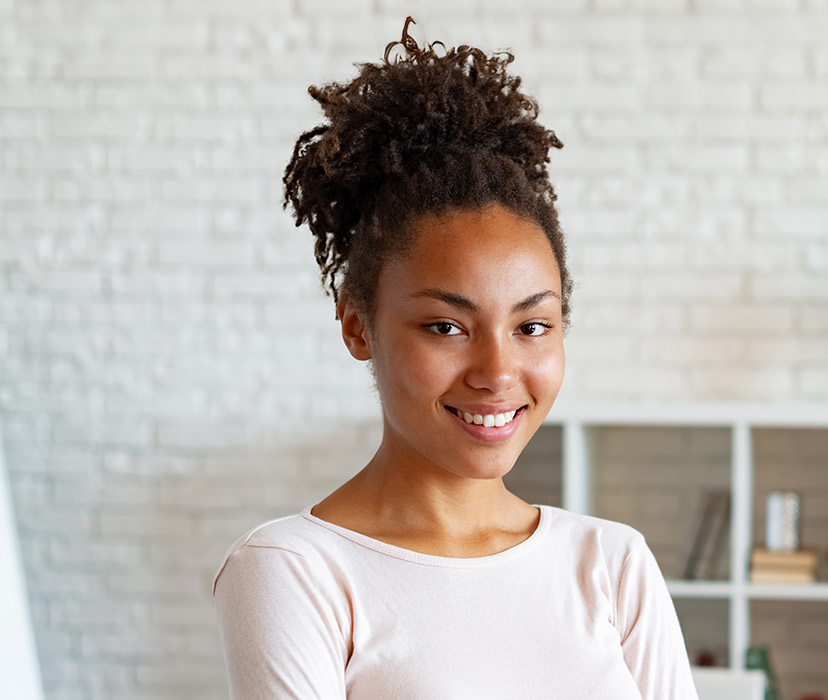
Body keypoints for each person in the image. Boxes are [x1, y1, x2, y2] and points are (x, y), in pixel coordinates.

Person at [212, 18, 700, 700]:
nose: (497, 373)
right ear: (357, 326)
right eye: (446, 325)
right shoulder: (299, 570)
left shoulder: (612, 564)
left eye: (532, 325)